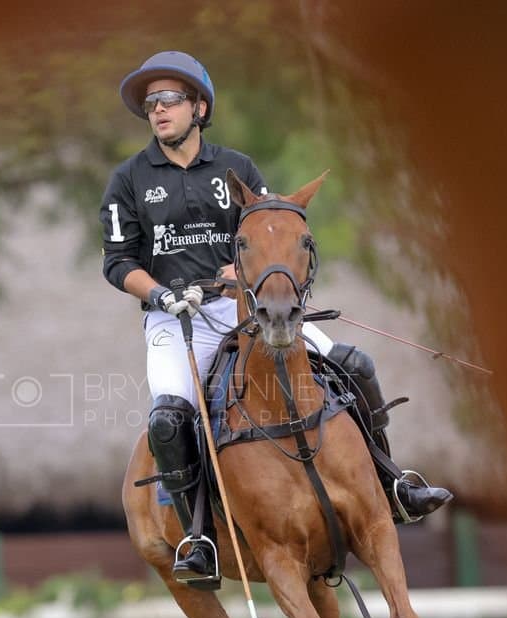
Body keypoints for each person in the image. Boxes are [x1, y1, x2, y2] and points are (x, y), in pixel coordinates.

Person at [99, 51, 451, 589]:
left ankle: (392, 481)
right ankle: (199, 536)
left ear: (199, 108)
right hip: (177, 320)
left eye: (170, 99)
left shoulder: (237, 168)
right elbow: (118, 262)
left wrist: (242, 271)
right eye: (151, 104)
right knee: (169, 419)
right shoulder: (129, 179)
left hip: (248, 308)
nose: (159, 110)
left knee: (354, 363)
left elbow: (272, 231)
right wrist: (162, 294)